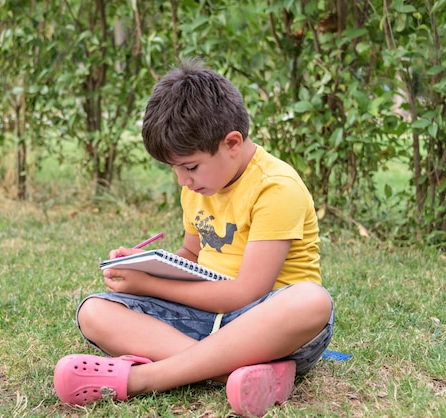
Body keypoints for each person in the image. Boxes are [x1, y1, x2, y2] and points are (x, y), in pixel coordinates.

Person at [53, 59, 334, 417]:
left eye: (189, 167)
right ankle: (238, 374)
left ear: (232, 142)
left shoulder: (277, 188)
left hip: (269, 327)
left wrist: (150, 285)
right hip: (205, 321)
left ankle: (149, 378)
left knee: (312, 300)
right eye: (174, 169)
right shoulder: (199, 185)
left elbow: (246, 293)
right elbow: (192, 253)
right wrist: (147, 268)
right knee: (95, 311)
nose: (183, 181)